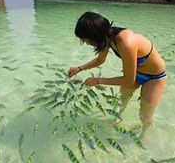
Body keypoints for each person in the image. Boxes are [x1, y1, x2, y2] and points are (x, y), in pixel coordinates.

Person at [68, 12, 166, 140]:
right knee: (123, 99)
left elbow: (128, 79)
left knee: (145, 115)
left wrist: (97, 80)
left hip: (154, 77)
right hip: (135, 72)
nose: (86, 43)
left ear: (94, 35)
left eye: (86, 39)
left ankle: (144, 133)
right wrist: (79, 69)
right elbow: (100, 60)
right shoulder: (107, 37)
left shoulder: (126, 42)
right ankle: (117, 118)